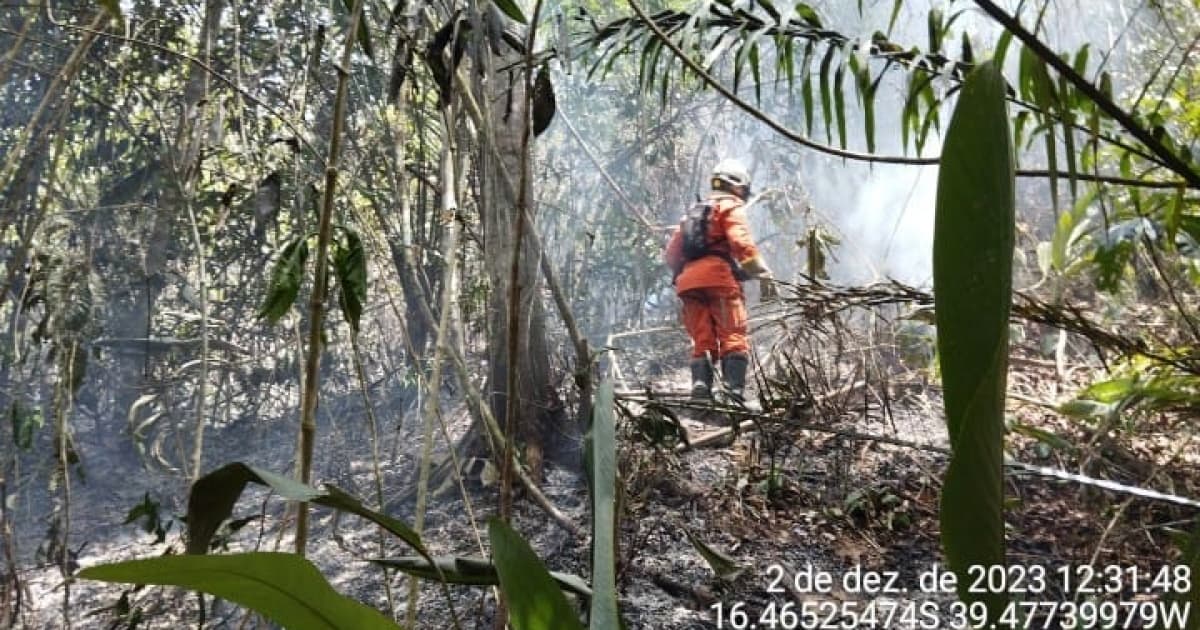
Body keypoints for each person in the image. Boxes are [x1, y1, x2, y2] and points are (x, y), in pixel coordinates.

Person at [665, 159, 775, 402]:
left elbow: (671, 255)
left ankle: (701, 390)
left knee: (702, 338)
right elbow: (741, 242)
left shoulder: (692, 213)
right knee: (732, 334)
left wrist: (689, 274)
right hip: (719, 282)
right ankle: (732, 393)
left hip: (688, 284)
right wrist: (762, 273)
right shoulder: (729, 207)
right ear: (738, 186)